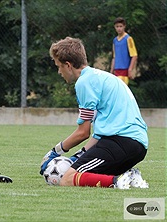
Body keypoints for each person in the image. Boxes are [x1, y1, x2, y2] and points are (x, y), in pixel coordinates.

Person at [40, 37, 148, 189]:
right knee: (87, 175)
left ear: (68, 65)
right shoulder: (100, 77)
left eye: (59, 66)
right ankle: (129, 176)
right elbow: (98, 135)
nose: (59, 71)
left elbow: (83, 132)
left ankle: (120, 181)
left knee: (67, 179)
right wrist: (79, 155)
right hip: (135, 144)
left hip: (121, 142)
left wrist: (54, 152)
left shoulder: (84, 82)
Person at [110, 17, 138, 85]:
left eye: (120, 26)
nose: (119, 28)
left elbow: (134, 55)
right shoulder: (115, 40)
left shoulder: (128, 39)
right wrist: (111, 71)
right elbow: (114, 57)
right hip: (116, 70)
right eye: (117, 26)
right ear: (114, 27)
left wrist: (130, 69)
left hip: (124, 70)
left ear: (124, 26)